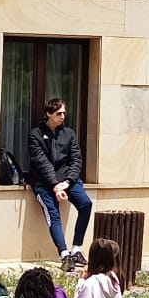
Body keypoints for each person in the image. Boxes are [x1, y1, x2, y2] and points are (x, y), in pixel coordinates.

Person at [27, 97, 94, 265]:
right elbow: (41, 162)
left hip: (67, 180)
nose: (62, 116)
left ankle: (76, 249)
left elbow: (76, 160)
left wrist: (69, 181)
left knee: (86, 204)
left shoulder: (69, 134)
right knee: (53, 214)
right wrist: (55, 185)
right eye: (58, 113)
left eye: (64, 113)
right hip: (44, 183)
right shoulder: (35, 134)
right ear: (48, 114)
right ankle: (65, 255)